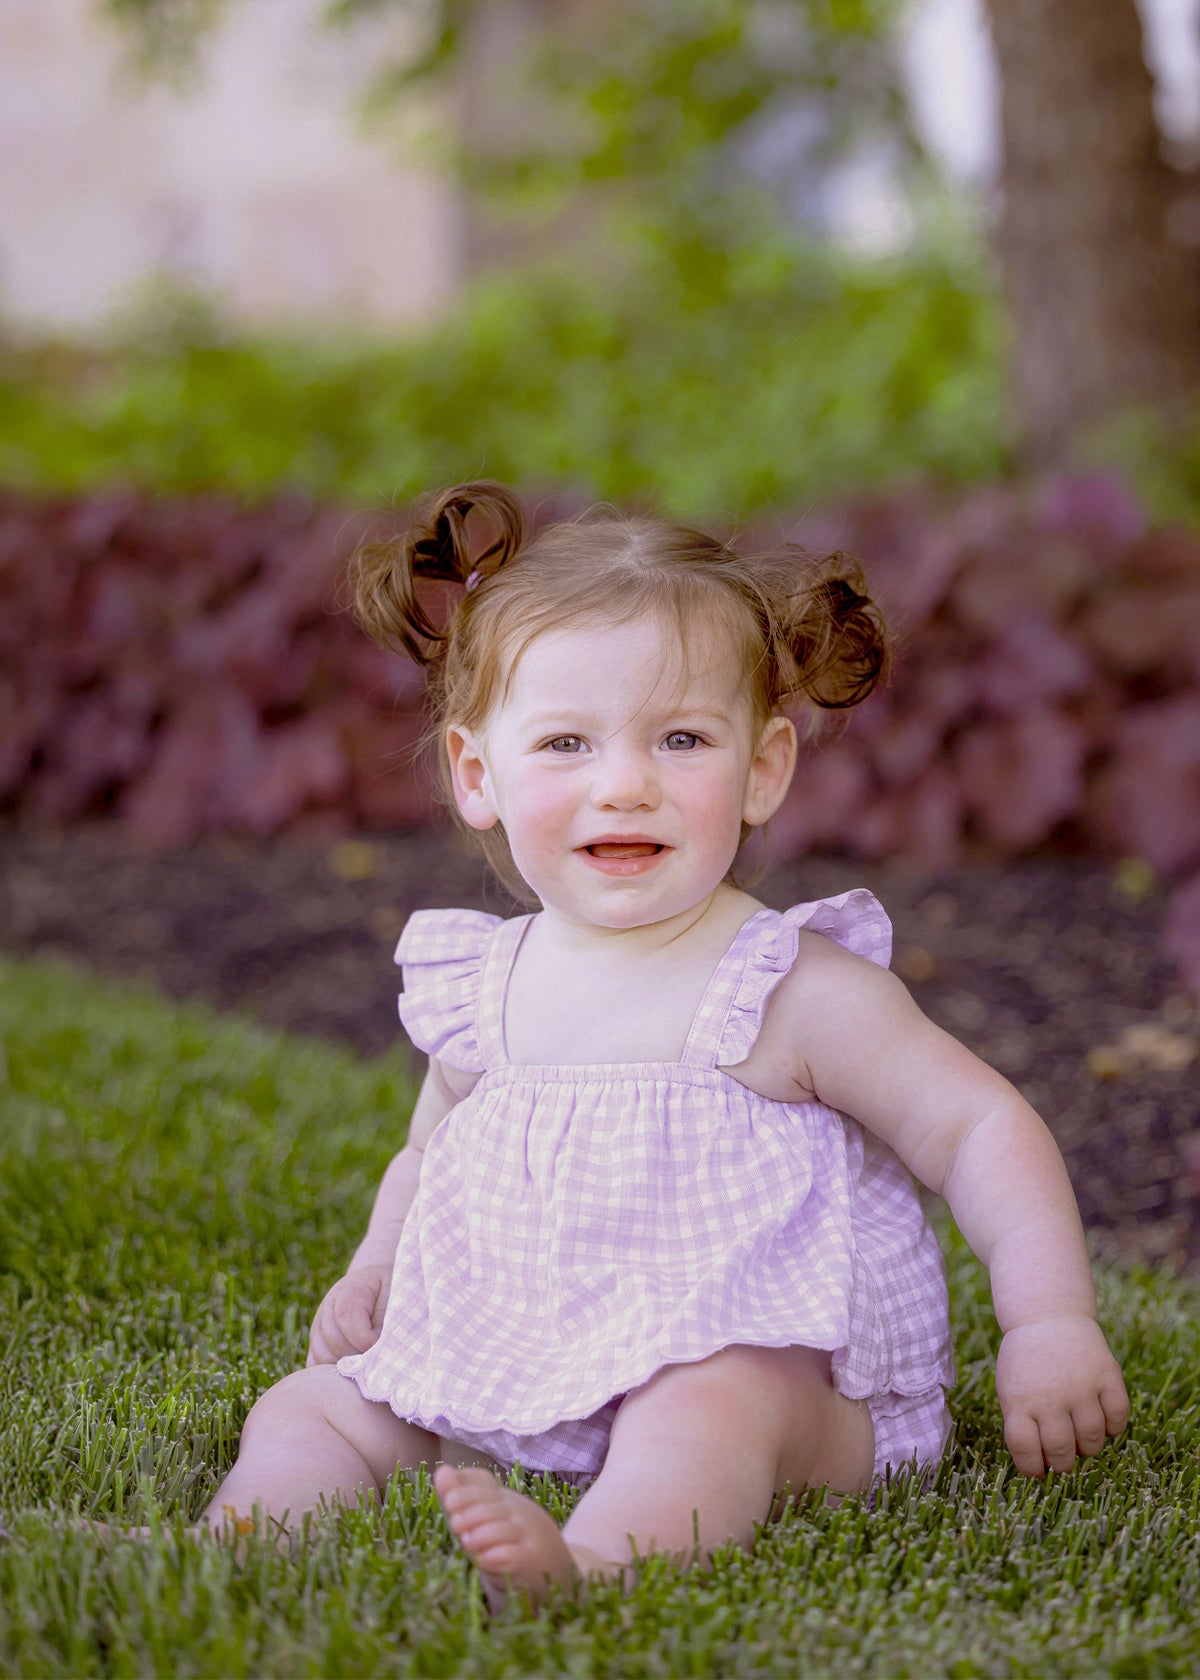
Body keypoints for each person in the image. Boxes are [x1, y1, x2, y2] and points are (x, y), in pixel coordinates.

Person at [201, 481, 1129, 1612]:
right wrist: (377, 1266)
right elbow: (428, 1153)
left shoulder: (787, 988)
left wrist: (1049, 1322)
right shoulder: (486, 988)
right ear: (478, 775)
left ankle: (595, 1568)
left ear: (763, 768)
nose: (625, 784)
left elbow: (977, 1126)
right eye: (566, 742)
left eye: (681, 738)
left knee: (706, 1406)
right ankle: (238, 1542)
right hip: (523, 1361)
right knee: (315, 1405)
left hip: (779, 1392)